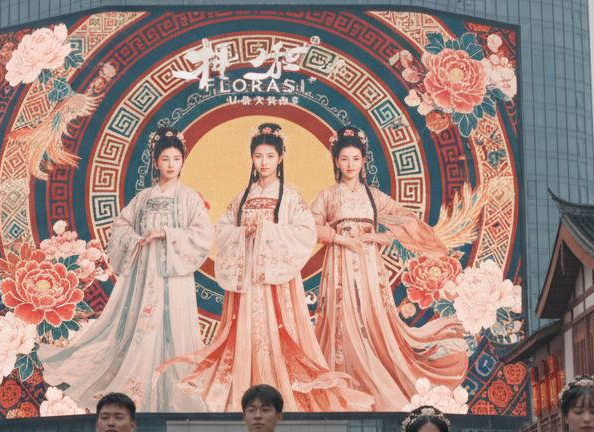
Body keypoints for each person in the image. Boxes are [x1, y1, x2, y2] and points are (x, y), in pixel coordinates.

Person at [159, 124, 373, 412]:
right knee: (244, 331)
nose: (263, 163)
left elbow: (306, 231)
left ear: (281, 157)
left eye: (270, 156)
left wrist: (268, 232)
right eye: (258, 156)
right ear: (252, 158)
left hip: (277, 282)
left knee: (279, 330)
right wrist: (241, 234)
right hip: (247, 277)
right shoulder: (242, 197)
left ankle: (281, 392)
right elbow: (220, 230)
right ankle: (243, 393)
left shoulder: (291, 197)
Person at [40, 127, 215, 411]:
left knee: (175, 328)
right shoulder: (143, 198)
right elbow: (121, 225)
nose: (171, 165)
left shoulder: (190, 198)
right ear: (155, 162)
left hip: (176, 274)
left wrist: (167, 235)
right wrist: (136, 240)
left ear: (183, 161)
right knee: (142, 326)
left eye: (176, 159)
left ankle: (175, 389)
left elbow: (203, 234)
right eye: (165, 160)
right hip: (146, 273)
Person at [310, 126, 467, 410]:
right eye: (344, 159)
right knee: (341, 316)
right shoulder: (327, 196)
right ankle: (345, 382)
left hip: (370, 264)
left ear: (363, 161)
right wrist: (341, 238)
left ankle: (376, 375)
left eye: (355, 159)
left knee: (371, 317)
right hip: (339, 264)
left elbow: (406, 218)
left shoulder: (374, 196)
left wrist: (380, 236)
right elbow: (311, 227)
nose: (350, 165)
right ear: (336, 161)